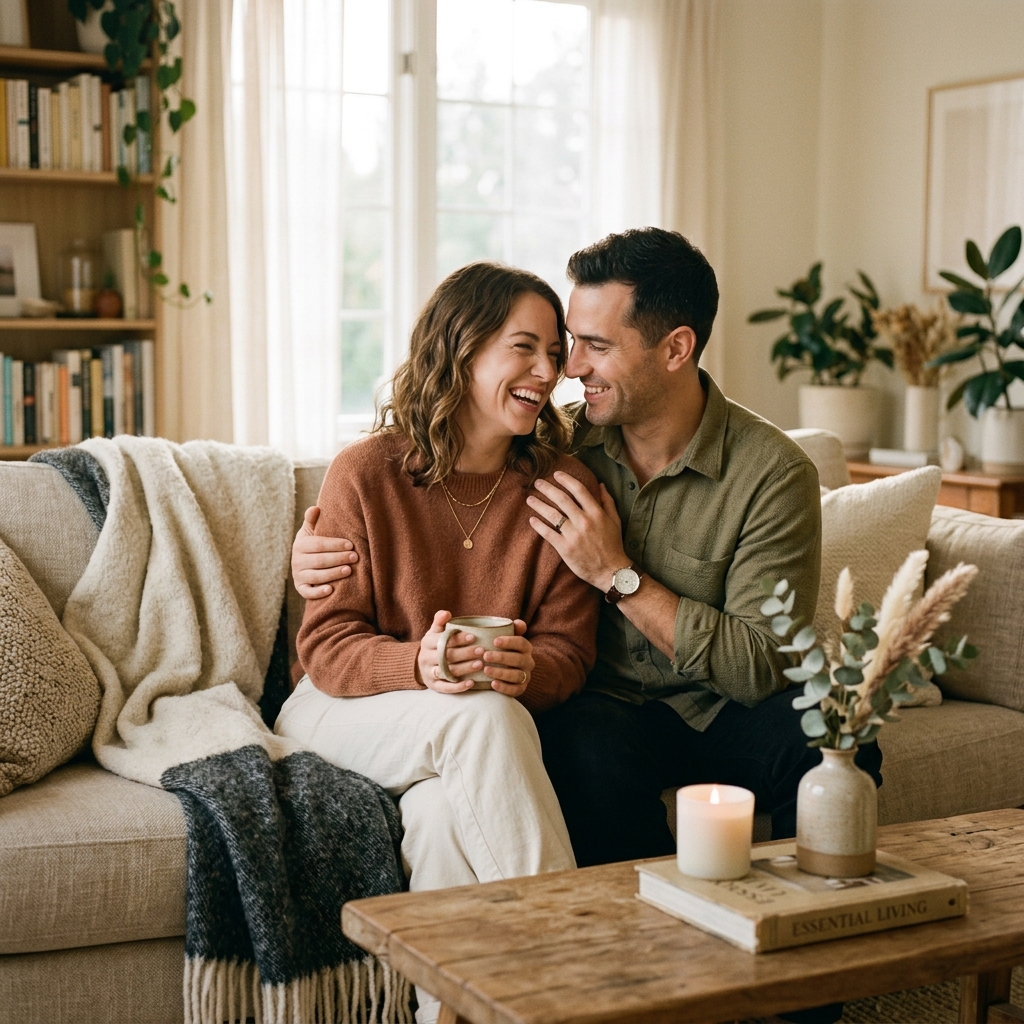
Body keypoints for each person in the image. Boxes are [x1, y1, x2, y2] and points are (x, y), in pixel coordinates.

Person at [293, 227, 882, 871]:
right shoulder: (557, 446)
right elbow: (347, 606)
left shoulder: (767, 474)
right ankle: (636, 922)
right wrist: (313, 555)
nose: (566, 371)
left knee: (832, 731)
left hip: (719, 705)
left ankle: (821, 911)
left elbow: (760, 665)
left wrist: (617, 574)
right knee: (575, 749)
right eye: (565, 344)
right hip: (600, 713)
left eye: (592, 346)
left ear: (676, 348)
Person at [275, 261, 601, 912]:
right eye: (524, 347)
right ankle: (570, 938)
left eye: (554, 353)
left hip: (465, 730)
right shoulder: (366, 472)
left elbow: (570, 652)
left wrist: (529, 669)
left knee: (440, 818)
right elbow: (327, 647)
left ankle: (449, 984)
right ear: (461, 347)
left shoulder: (563, 490)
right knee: (483, 716)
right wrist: (416, 665)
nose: (547, 371)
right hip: (336, 705)